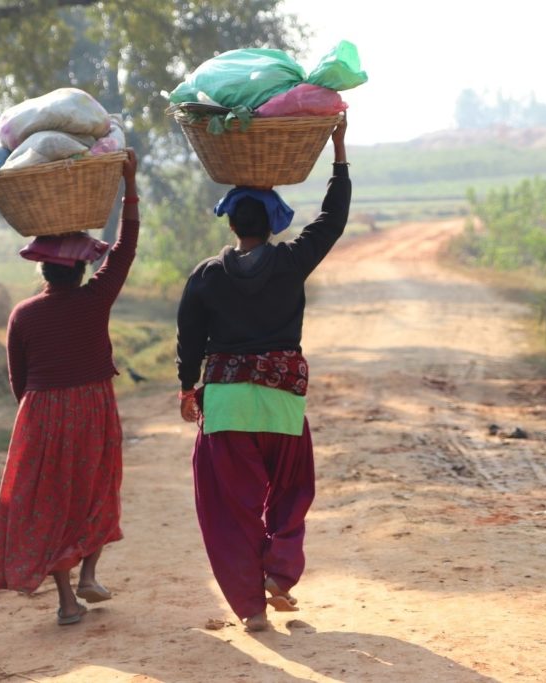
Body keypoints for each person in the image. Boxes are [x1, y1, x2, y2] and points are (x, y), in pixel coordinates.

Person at [175, 117, 350, 632]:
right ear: (273, 224)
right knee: (293, 490)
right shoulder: (293, 262)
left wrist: (188, 387)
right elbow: (332, 219)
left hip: (227, 405)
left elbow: (190, 339)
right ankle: (278, 572)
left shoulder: (206, 276)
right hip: (281, 403)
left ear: (232, 225)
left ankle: (252, 610)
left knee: (231, 510)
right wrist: (338, 151)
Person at [0, 150, 139, 626]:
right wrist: (129, 184)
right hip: (92, 406)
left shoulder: (23, 315)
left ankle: (67, 602)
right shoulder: (95, 299)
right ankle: (89, 574)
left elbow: (19, 378)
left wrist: (38, 417)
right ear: (80, 269)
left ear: (43, 271)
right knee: (97, 487)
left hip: (40, 412)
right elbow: (126, 246)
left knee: (51, 502)